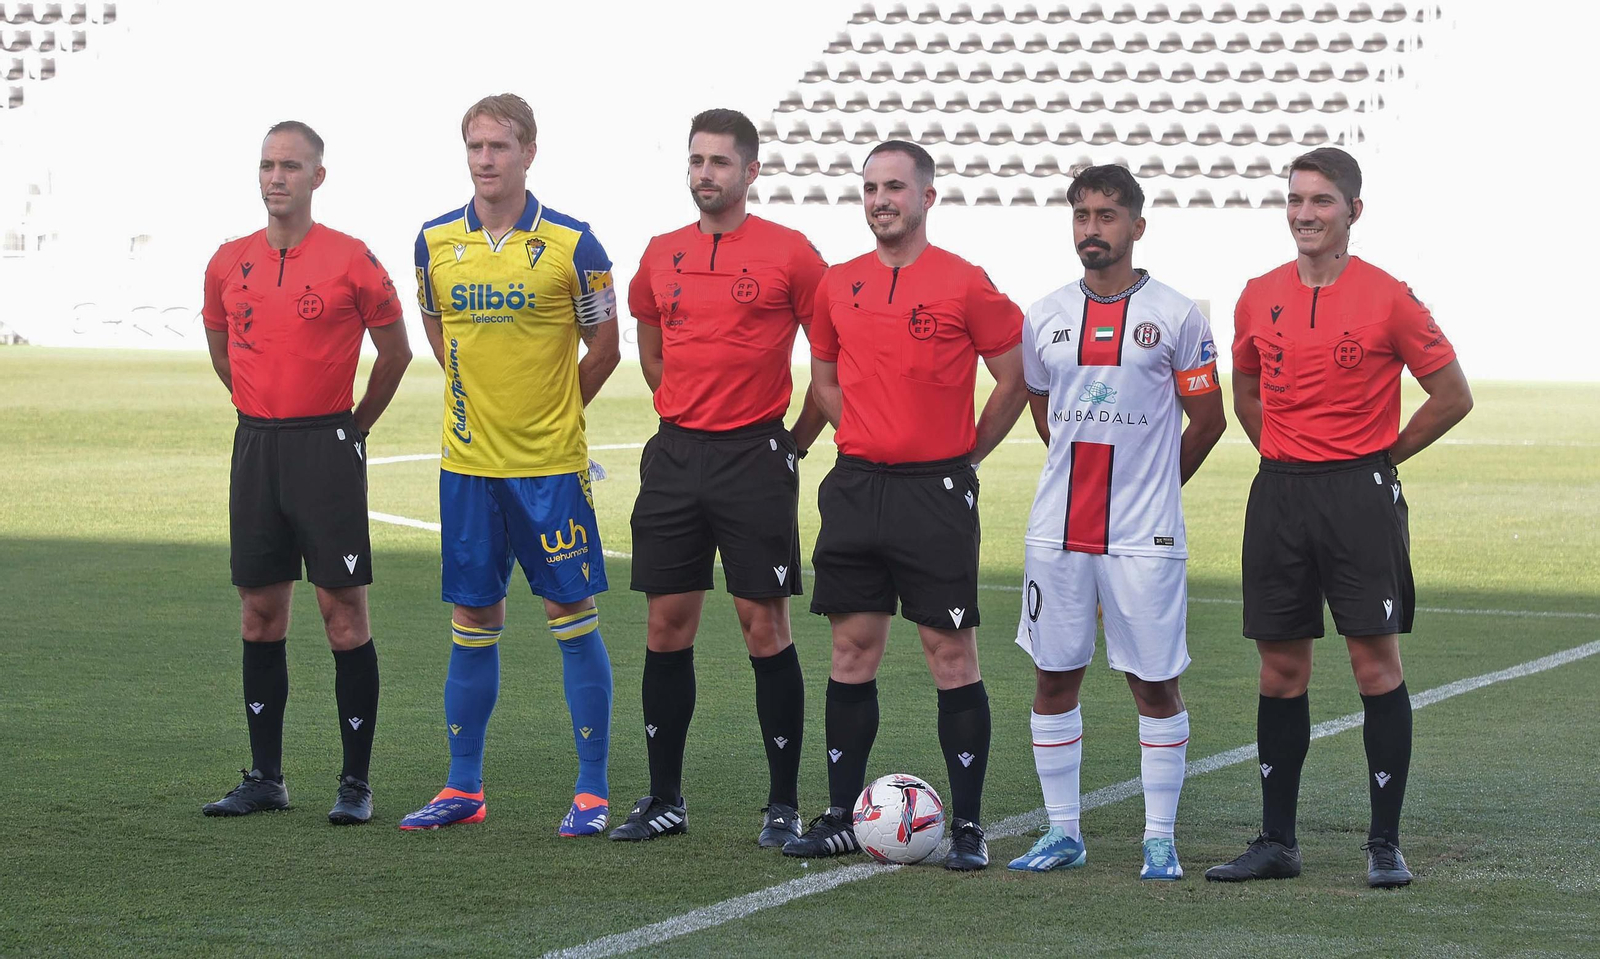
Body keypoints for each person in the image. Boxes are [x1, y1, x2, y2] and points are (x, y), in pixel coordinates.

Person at [1205, 147, 1472, 887]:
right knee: (1280, 668)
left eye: (1320, 201)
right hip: (1280, 495)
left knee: (1373, 663)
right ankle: (1277, 841)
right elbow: (1247, 392)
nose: (1304, 215)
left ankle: (1383, 843)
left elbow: (1451, 394)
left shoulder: (1389, 297)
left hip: (1360, 494)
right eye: (1295, 200)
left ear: (1353, 210)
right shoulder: (1257, 294)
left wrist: (1383, 456)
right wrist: (1286, 455)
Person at [782, 140, 1027, 871]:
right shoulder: (837, 283)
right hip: (856, 488)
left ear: (926, 196)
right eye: (870, 188)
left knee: (950, 653)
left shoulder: (965, 283)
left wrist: (965, 454)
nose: (881, 199)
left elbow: (1012, 377)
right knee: (853, 648)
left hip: (936, 492)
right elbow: (823, 376)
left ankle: (970, 826)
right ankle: (836, 813)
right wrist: (861, 430)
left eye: (894, 187)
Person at [400, 94, 622, 836]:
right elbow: (436, 323)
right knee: (472, 616)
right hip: (466, 467)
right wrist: (473, 393)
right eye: (474, 146)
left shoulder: (575, 245)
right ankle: (463, 787)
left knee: (570, 616)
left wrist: (556, 411)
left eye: (498, 146)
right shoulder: (433, 241)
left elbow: (606, 347)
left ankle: (591, 791)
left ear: (530, 152)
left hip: (549, 469)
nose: (485, 159)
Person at [608, 109, 828, 847]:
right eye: (698, 161)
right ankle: (665, 797)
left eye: (721, 163)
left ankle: (782, 804)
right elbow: (646, 327)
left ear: (751, 171)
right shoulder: (661, 251)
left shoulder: (791, 253)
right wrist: (671, 395)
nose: (707, 174)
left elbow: (829, 352)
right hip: (674, 457)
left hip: (753, 458)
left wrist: (791, 441)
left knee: (763, 625)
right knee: (666, 625)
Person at [1003, 165, 1226, 880]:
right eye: (1081, 215)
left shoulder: (1179, 314)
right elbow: (1043, 409)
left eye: (1105, 215)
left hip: (1143, 535)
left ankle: (1159, 838)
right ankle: (1062, 831)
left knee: (1154, 682)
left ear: (1137, 225)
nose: (1091, 228)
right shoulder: (1042, 315)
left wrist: (1156, 483)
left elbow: (1210, 418)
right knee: (1053, 675)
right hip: (1057, 529)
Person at [200, 120, 412, 825]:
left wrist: (355, 427)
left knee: (342, 613)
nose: (275, 177)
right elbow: (219, 340)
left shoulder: (352, 259)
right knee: (260, 612)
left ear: (318, 176)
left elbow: (395, 352)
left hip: (326, 446)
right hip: (257, 446)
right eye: (266, 164)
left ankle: (355, 782)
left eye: (290, 165)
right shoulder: (228, 261)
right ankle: (266, 775)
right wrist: (254, 403)